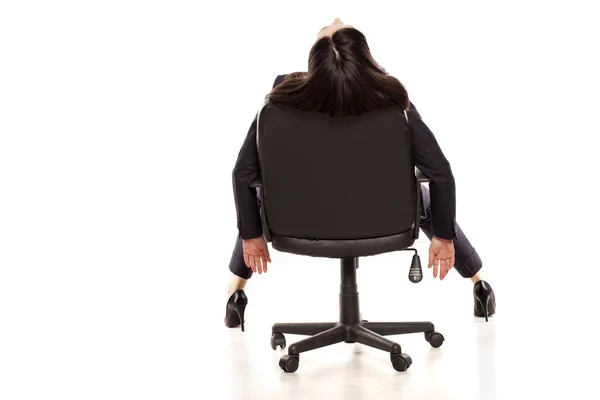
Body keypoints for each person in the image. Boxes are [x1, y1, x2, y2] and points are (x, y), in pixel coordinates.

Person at [225, 18, 496, 332]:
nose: (337, 20)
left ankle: (237, 295)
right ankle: (479, 285)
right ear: (365, 59)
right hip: (384, 218)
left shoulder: (277, 102)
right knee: (423, 197)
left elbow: (243, 173)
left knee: (260, 200)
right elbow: (441, 173)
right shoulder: (396, 105)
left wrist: (251, 235)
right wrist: (444, 238)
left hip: (298, 220)